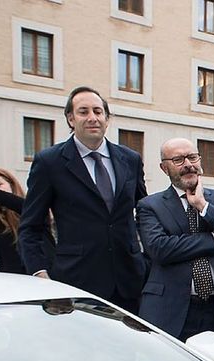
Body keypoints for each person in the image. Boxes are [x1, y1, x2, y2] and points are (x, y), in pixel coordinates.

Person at [18, 86, 148, 313]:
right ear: (70, 118)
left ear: (107, 119)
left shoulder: (130, 159)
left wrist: (148, 260)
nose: (92, 118)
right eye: (83, 112)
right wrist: (40, 274)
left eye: (98, 112)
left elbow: (144, 213)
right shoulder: (49, 163)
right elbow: (30, 227)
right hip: (77, 283)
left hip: (131, 281)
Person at [137, 138, 214, 347]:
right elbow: (160, 249)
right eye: (178, 160)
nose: (188, 164)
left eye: (192, 157)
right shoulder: (149, 206)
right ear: (164, 168)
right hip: (170, 310)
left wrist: (203, 205)